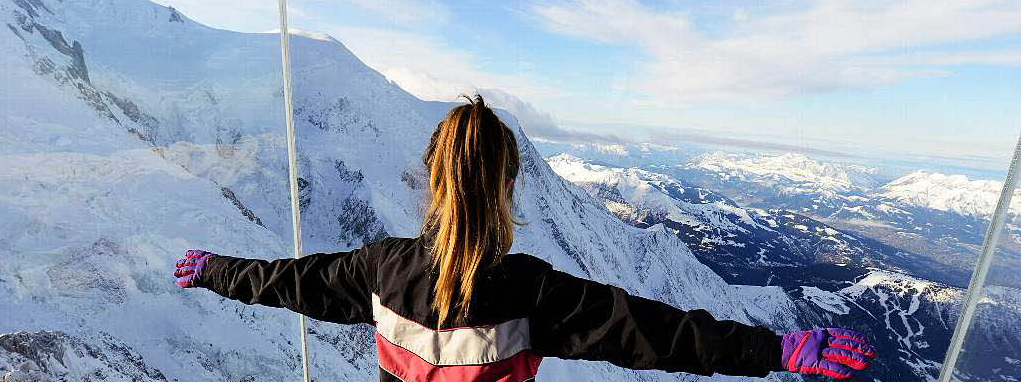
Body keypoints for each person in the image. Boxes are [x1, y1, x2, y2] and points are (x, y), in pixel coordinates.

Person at [174, 95, 876, 382]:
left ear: (430, 178)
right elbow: (652, 333)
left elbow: (286, 281)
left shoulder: (377, 270)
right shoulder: (529, 291)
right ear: (508, 187)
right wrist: (774, 349)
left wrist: (214, 270)